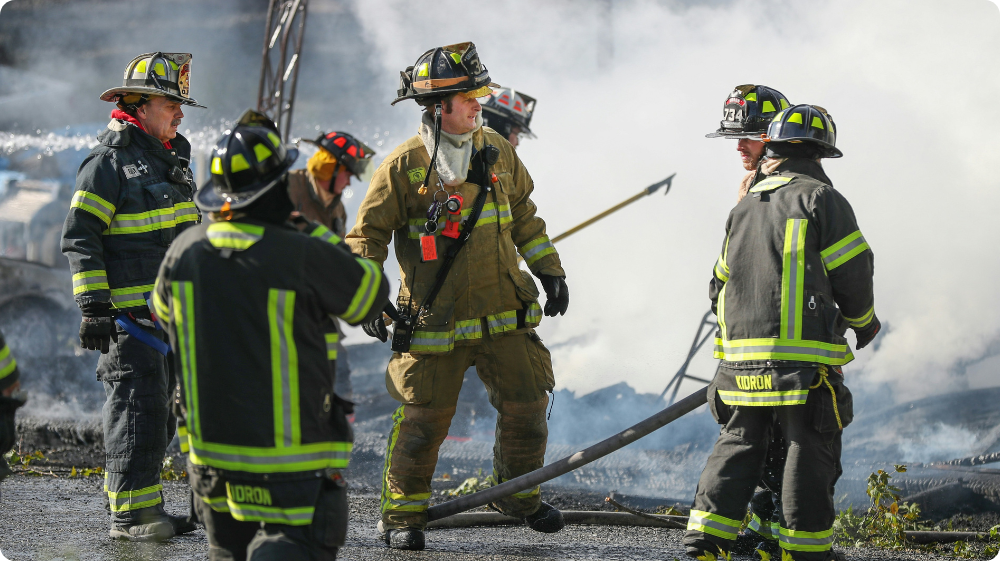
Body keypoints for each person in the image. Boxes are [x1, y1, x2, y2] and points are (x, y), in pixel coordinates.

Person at [345, 41, 569, 550]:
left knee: (529, 403)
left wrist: (550, 270)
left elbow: (526, 216)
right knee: (422, 420)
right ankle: (403, 517)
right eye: (470, 95)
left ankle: (517, 496)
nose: (480, 103)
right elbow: (364, 240)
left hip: (503, 312)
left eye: (480, 93)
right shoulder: (402, 167)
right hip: (432, 320)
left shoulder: (498, 150)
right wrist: (370, 296)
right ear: (438, 106)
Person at [153, 109, 390, 560]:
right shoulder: (301, 250)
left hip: (210, 457)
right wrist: (309, 232)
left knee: (227, 552)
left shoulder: (183, 251)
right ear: (277, 187)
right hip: (290, 460)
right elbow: (369, 295)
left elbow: (164, 314)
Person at [684, 104, 880, 561]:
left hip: (738, 363)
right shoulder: (821, 199)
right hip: (800, 366)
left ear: (774, 147)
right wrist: (864, 322)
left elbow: (718, 281)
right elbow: (854, 273)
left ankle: (704, 543)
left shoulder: (745, 206)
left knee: (738, 444)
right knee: (806, 448)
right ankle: (804, 551)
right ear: (820, 155)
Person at [60, 52, 204, 541]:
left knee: (160, 419)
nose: (180, 114)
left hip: (170, 322)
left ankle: (147, 509)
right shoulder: (108, 164)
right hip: (128, 321)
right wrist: (94, 308)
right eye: (172, 104)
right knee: (136, 417)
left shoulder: (171, 162)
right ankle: (130, 517)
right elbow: (81, 236)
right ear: (140, 106)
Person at [705, 84, 794, 556]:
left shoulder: (793, 187)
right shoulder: (751, 184)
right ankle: (764, 533)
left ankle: (779, 538)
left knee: (782, 443)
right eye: (735, 137)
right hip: (749, 340)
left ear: (776, 135)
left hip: (780, 345)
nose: (739, 146)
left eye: (751, 136)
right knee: (760, 443)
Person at [287, 131, 375, 404]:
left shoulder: (337, 208)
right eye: (347, 173)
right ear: (329, 166)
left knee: (338, 369)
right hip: (282, 302)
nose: (349, 180)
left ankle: (340, 428)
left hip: (318, 304)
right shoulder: (288, 187)